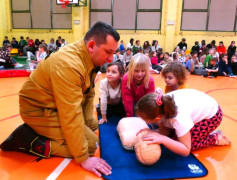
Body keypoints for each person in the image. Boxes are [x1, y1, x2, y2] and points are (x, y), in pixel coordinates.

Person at [0, 22, 120, 178]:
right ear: (91, 45)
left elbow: (88, 95)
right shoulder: (69, 65)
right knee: (90, 146)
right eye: (108, 52)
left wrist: (89, 125)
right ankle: (28, 140)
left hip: (53, 106)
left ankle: (43, 133)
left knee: (92, 132)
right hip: (37, 110)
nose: (111, 58)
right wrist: (83, 157)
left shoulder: (88, 58)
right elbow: (70, 114)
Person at [135, 89, 231, 157]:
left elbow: (185, 150)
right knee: (171, 136)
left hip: (213, 116)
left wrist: (162, 138)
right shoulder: (161, 105)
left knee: (179, 143)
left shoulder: (178, 119)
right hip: (200, 105)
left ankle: (215, 138)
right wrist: (157, 131)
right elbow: (165, 127)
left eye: (145, 119)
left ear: (157, 117)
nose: (146, 122)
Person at [121, 53, 155, 117]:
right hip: (132, 102)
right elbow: (127, 99)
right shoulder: (126, 78)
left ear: (147, 70)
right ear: (131, 69)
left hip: (143, 102)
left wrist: (146, 115)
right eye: (136, 71)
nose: (139, 74)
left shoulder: (150, 80)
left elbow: (149, 100)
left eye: (143, 71)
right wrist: (129, 116)